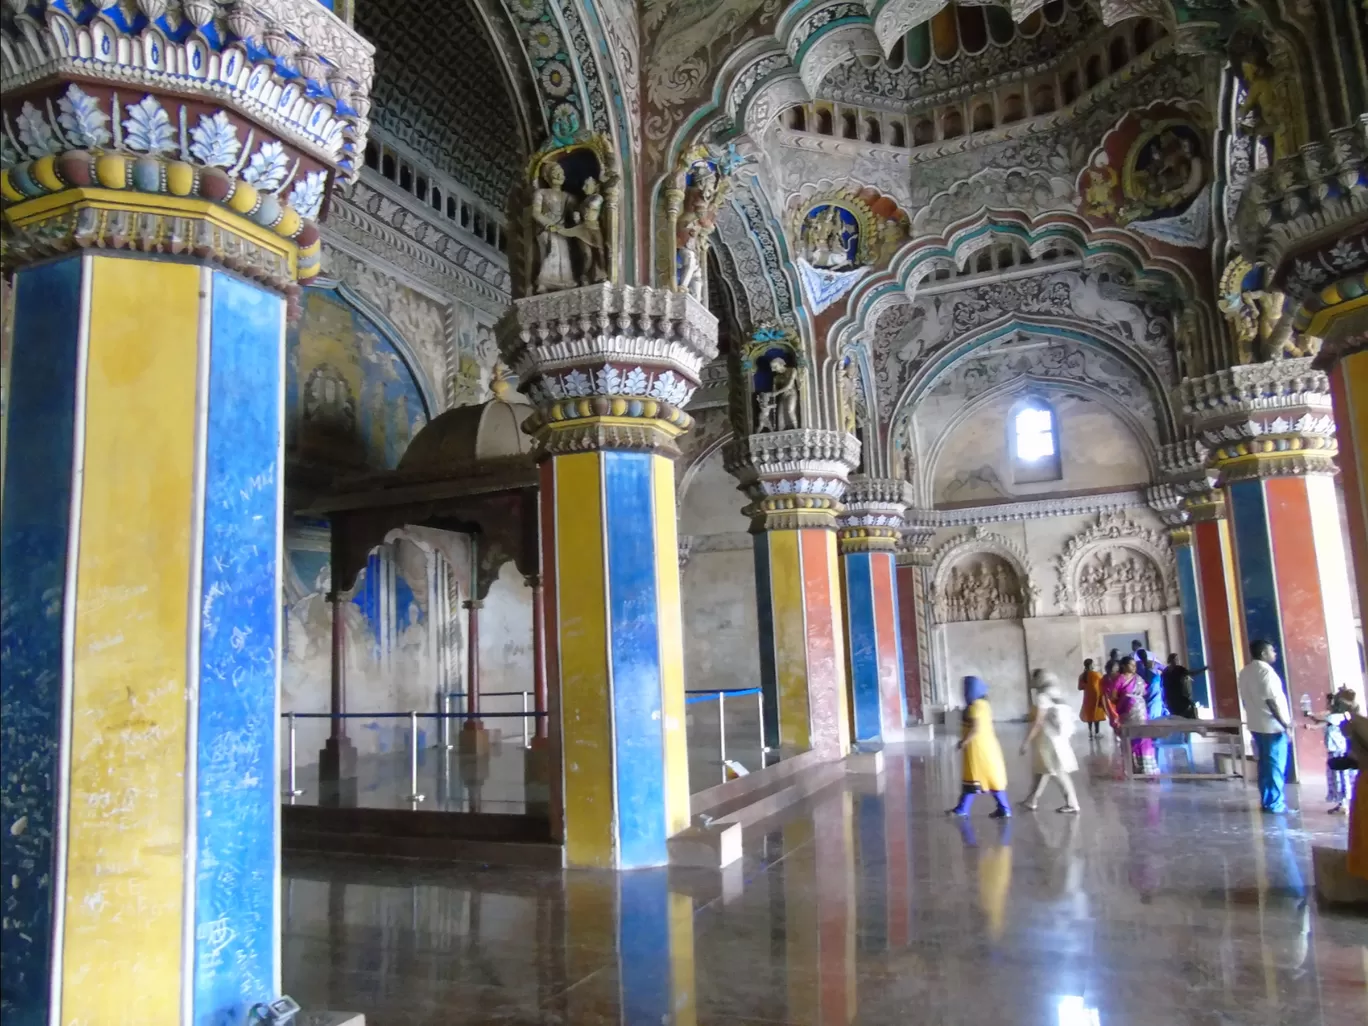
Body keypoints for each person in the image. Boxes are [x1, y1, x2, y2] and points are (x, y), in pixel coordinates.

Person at [1237, 639, 1293, 813]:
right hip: (1272, 727)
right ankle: (1275, 804)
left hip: (1256, 724)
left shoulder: (1245, 671)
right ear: (1263, 653)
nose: (1274, 653)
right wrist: (1285, 724)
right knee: (1275, 766)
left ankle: (1268, 800)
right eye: (1271, 651)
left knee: (1265, 765)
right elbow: (1271, 701)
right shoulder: (1266, 672)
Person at [948, 676, 1011, 818]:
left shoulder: (975, 707)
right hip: (989, 746)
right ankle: (1004, 808)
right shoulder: (984, 704)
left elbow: (976, 728)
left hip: (977, 748)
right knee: (992, 778)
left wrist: (963, 742)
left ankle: (962, 809)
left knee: (973, 776)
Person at [1021, 670, 1081, 813]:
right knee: (1044, 770)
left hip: (1049, 740)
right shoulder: (1057, 694)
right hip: (1059, 738)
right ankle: (1032, 800)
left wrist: (1026, 741)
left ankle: (1072, 803)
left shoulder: (1042, 697)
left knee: (1056, 771)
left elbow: (1038, 722)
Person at [1304, 688, 1357, 813]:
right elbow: (1322, 721)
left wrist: (1310, 717)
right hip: (1342, 752)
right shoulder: (1344, 716)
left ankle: (1343, 804)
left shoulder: (1334, 717)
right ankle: (1343, 803)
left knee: (1338, 778)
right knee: (1343, 779)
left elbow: (1321, 720)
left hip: (1337, 753)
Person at [1106, 656, 1158, 775]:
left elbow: (1144, 692)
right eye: (1131, 665)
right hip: (1127, 713)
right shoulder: (1120, 679)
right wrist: (1125, 700)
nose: (1134, 667)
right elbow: (1113, 696)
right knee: (1131, 738)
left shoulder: (1138, 678)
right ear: (1124, 666)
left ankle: (1146, 767)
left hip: (1141, 712)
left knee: (1144, 737)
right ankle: (1132, 767)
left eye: (1135, 665)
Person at [1160, 654, 1203, 719]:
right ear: (1171, 660)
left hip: (1173, 700)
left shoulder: (1166, 671)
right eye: (1176, 659)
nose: (1177, 661)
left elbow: (1163, 686)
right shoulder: (1178, 669)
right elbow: (1192, 673)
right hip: (1178, 699)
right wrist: (1204, 669)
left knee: (1178, 717)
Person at [1077, 658, 1107, 738]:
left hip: (1087, 698)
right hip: (1096, 698)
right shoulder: (1096, 675)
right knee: (1096, 715)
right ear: (1091, 665)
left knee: (1089, 715)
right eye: (1093, 663)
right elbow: (1103, 684)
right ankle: (1097, 732)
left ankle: (1090, 732)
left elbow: (1080, 687)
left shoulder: (1082, 676)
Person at [1135, 648, 1166, 720]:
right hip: (1149, 691)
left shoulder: (1151, 664)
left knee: (1152, 712)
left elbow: (1166, 670)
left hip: (1152, 692)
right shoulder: (1140, 665)